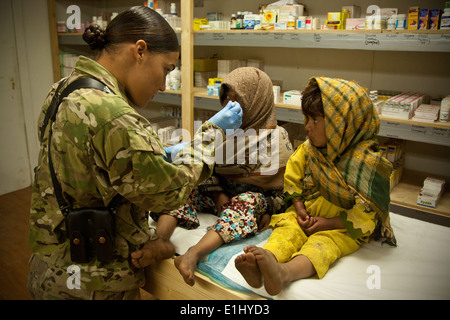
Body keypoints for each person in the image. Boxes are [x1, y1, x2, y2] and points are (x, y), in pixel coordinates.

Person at [27, 6, 242, 300]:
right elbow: (171, 192)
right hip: (94, 285)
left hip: (49, 269)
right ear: (139, 51)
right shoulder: (114, 115)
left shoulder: (62, 90)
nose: (164, 84)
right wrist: (211, 133)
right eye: (166, 69)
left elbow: (92, 162)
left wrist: (160, 152)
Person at [235, 76, 397, 296]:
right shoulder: (309, 150)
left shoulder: (369, 165)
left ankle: (285, 273)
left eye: (316, 120)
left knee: (324, 246)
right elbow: (292, 176)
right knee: (287, 230)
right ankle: (265, 262)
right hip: (308, 213)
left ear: (342, 124)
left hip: (342, 225)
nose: (307, 127)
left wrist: (327, 223)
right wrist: (300, 208)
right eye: (307, 118)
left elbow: (367, 215)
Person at [150, 67, 294, 286]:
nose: (230, 107)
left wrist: (267, 211)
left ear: (257, 101)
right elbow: (204, 166)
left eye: (238, 101)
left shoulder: (277, 138)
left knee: (248, 201)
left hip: (252, 202)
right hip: (219, 195)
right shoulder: (223, 129)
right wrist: (218, 194)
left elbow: (282, 192)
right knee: (184, 183)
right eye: (226, 99)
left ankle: (193, 254)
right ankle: (160, 240)